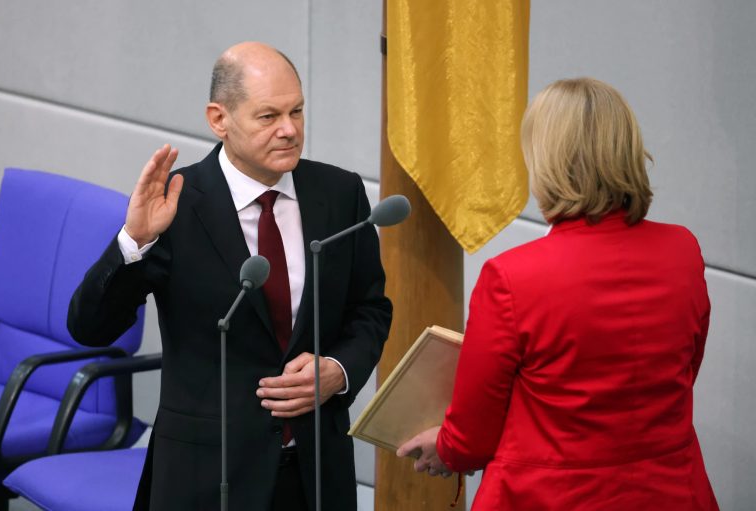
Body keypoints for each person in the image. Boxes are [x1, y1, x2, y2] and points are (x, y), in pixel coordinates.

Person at [68, 42, 392, 511]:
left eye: (297, 111)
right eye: (268, 116)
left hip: (316, 474)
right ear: (219, 119)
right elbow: (90, 328)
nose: (289, 130)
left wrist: (339, 370)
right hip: (207, 476)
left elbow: (370, 308)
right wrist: (134, 241)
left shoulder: (340, 193)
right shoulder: (176, 206)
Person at [397, 78, 719, 510]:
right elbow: (682, 373)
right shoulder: (682, 251)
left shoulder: (512, 277)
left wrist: (447, 448)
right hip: (672, 493)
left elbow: (472, 436)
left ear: (546, 160)